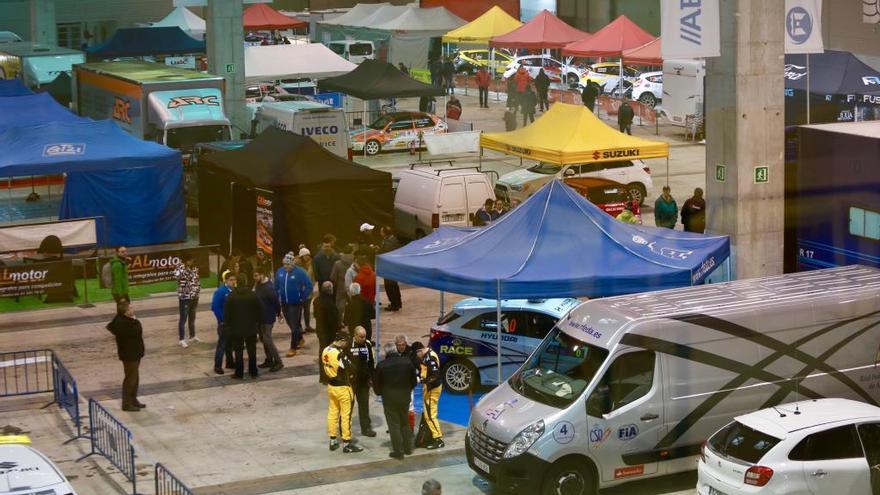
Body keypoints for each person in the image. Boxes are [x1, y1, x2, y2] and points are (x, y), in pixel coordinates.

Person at [373, 341, 417, 459]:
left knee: (394, 425)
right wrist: (408, 389)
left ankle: (398, 451)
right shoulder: (407, 362)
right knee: (405, 422)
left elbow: (376, 385)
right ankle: (408, 448)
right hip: (404, 397)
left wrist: (381, 393)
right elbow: (414, 380)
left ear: (386, 352)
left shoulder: (381, 365)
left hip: (389, 399)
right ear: (396, 350)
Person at [322, 332, 364, 453]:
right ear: (341, 340)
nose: (346, 345)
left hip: (331, 386)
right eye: (346, 342)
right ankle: (347, 443)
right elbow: (351, 368)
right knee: (346, 415)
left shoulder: (325, 350)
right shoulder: (339, 354)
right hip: (343, 388)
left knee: (333, 412)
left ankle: (333, 440)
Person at [106, 300, 145, 412]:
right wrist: (135, 319)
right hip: (130, 354)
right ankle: (127, 403)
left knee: (135, 377)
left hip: (134, 353)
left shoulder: (122, 319)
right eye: (131, 308)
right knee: (130, 379)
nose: (133, 310)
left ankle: (133, 399)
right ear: (126, 312)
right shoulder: (126, 323)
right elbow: (138, 329)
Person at [275, 252, 313, 357]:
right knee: (290, 324)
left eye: (288, 265)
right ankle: (300, 338)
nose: (286, 267)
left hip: (296, 303)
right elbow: (276, 286)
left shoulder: (300, 272)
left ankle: (293, 347)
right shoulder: (280, 272)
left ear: (293, 264)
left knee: (294, 324)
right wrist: (275, 298)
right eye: (285, 264)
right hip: (284, 302)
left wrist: (302, 297)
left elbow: (309, 286)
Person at [224, 282, 262, 379]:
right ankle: (253, 371)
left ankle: (239, 373)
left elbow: (227, 312)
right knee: (252, 350)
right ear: (245, 282)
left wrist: (228, 325)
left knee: (238, 351)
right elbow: (260, 309)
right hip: (251, 327)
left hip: (236, 328)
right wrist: (257, 322)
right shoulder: (252, 294)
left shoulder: (231, 295)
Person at [411, 342, 444, 449]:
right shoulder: (425, 357)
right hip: (428, 389)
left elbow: (435, 375)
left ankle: (438, 439)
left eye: (417, 354)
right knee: (428, 414)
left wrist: (422, 380)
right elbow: (424, 371)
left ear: (419, 351)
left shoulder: (430, 357)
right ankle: (435, 437)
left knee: (430, 415)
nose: (417, 357)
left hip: (433, 389)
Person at [254, 266, 283, 372]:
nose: (255, 278)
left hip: (267, 318)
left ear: (262, 275)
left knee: (268, 340)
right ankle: (269, 359)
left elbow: (276, 303)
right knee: (263, 339)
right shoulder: (258, 285)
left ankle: (278, 361)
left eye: (256, 276)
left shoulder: (269, 288)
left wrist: (279, 313)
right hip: (259, 317)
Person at [349, 326, 376, 437]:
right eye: (361, 337)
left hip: (363, 383)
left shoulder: (368, 345)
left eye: (364, 336)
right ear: (354, 335)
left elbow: (371, 362)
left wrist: (371, 377)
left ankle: (366, 428)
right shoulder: (347, 345)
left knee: (364, 406)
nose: (363, 339)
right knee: (348, 407)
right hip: (350, 382)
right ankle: (345, 430)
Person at [314, 281, 341, 383]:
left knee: (322, 352)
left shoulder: (316, 301)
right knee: (329, 355)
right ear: (331, 290)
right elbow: (333, 320)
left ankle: (322, 376)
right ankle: (328, 376)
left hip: (320, 330)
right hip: (329, 333)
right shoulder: (330, 304)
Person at [211, 272, 237, 375]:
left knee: (230, 344)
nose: (233, 282)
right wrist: (222, 320)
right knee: (222, 344)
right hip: (224, 323)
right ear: (225, 280)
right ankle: (217, 365)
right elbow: (215, 307)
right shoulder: (221, 291)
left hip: (233, 322)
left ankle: (229, 362)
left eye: (234, 279)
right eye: (231, 280)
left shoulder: (234, 290)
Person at [174, 253, 201, 348]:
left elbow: (196, 280)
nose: (192, 261)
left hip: (194, 297)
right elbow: (177, 277)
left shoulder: (194, 268)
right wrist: (184, 267)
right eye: (190, 260)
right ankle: (181, 339)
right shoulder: (179, 267)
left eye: (192, 260)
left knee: (192, 318)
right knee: (183, 319)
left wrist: (197, 291)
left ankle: (192, 336)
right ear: (186, 260)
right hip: (185, 297)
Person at [379, 227, 402, 311]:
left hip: (389, 268)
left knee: (390, 286)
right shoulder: (394, 240)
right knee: (394, 286)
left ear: (385, 233)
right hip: (394, 267)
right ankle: (398, 303)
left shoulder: (388, 243)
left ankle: (394, 304)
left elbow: (385, 254)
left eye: (381, 231)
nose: (380, 233)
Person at [330, 244, 355, 318]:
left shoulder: (337, 264)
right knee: (354, 305)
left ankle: (339, 323)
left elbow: (333, 277)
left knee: (340, 307)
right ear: (352, 251)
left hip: (341, 287)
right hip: (353, 287)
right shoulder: (355, 263)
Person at [296, 247, 316, 334]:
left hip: (308, 290)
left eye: (308, 255)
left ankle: (307, 326)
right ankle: (299, 327)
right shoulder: (297, 266)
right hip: (300, 291)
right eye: (305, 255)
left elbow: (312, 276)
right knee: (299, 310)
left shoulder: (311, 264)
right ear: (301, 256)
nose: (307, 257)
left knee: (307, 310)